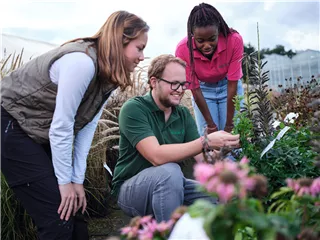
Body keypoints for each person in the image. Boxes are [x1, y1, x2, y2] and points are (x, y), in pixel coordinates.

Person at [0, 11, 149, 240]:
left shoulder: (107, 77)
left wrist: (77, 182)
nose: (142, 56)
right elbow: (61, 127)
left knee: (76, 214)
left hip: (34, 131)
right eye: (139, 48)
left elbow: (86, 128)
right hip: (9, 123)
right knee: (57, 217)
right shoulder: (82, 63)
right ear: (121, 41)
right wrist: (64, 182)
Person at [111, 54, 240, 222]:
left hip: (172, 184)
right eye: (174, 83)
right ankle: (170, 233)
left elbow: (202, 158)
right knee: (170, 171)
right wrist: (206, 141)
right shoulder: (134, 109)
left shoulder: (182, 114)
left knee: (218, 197)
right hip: (131, 189)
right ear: (154, 82)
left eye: (183, 84)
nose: (180, 89)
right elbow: (156, 156)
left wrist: (221, 155)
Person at [175, 2, 244, 135]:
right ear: (192, 35)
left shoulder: (234, 40)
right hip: (203, 91)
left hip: (228, 87)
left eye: (212, 39)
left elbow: (232, 83)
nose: (207, 45)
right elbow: (195, 89)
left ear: (218, 31)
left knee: (234, 137)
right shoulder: (183, 50)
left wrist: (230, 124)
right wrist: (210, 125)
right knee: (209, 139)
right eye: (200, 41)